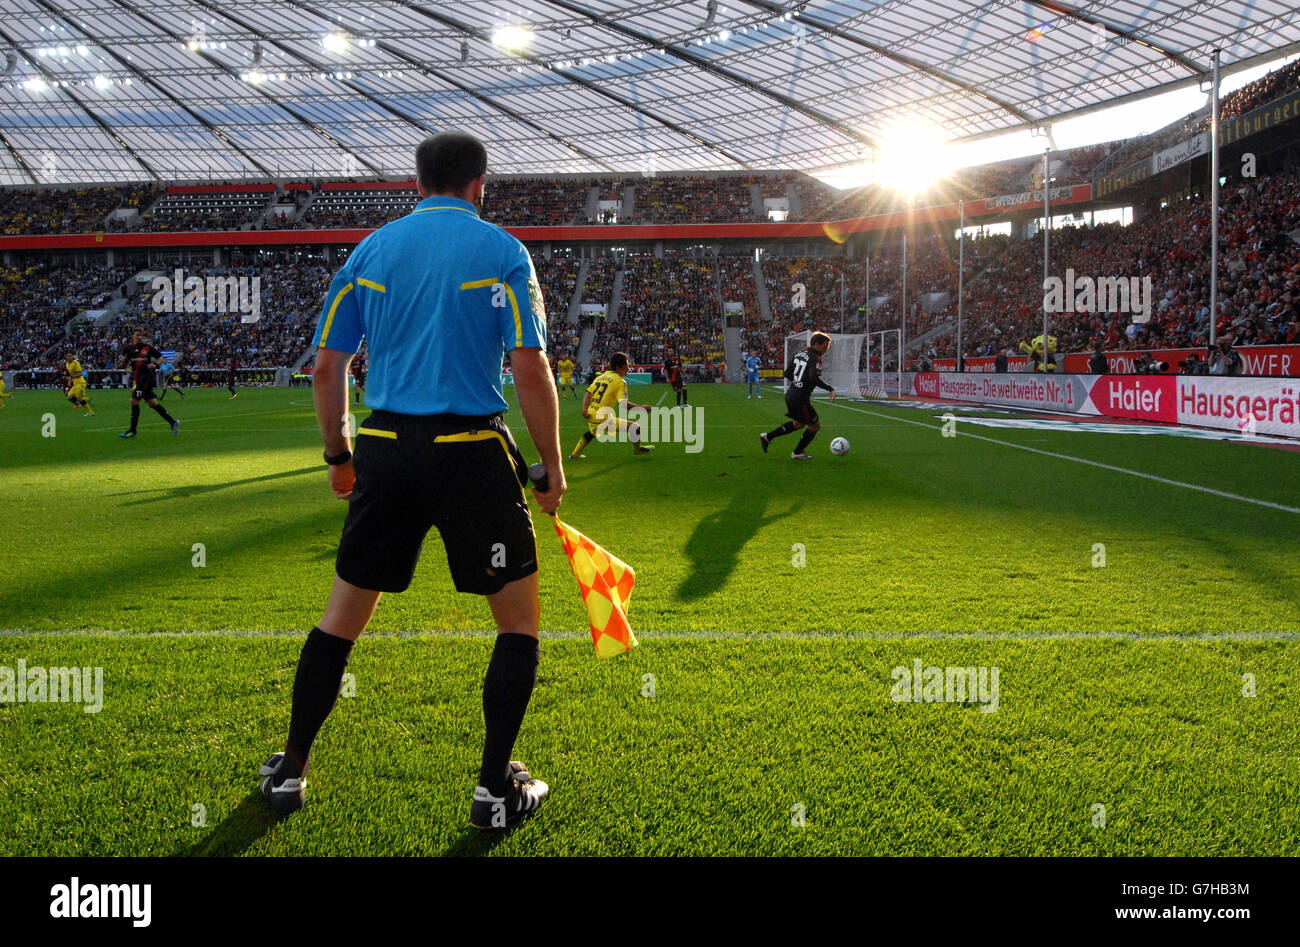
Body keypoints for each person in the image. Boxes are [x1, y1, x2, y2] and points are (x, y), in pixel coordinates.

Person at [258, 131, 564, 832]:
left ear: (415, 182)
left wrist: (339, 456)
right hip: (471, 451)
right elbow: (528, 364)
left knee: (340, 620)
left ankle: (291, 769)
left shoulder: (372, 251)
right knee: (517, 624)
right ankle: (495, 791)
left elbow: (327, 368)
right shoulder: (501, 252)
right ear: (480, 184)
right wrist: (551, 464)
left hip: (387, 448)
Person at [760, 330, 835, 460]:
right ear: (816, 344)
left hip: (791, 394)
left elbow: (787, 374)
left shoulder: (799, 354)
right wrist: (830, 389)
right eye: (825, 346)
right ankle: (797, 452)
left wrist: (799, 385)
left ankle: (768, 436)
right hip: (800, 398)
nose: (826, 349)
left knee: (798, 424)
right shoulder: (815, 358)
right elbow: (813, 378)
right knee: (815, 425)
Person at [569, 352, 655, 459]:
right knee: (635, 427)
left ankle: (574, 455)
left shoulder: (601, 377)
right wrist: (642, 408)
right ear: (619, 367)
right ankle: (638, 449)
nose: (628, 368)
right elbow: (623, 404)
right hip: (603, 420)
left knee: (591, 433)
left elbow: (588, 393)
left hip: (592, 416)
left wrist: (584, 410)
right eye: (626, 366)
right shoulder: (619, 381)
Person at [119, 330, 178, 438]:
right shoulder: (127, 348)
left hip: (146, 378)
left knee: (134, 400)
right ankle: (173, 422)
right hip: (137, 377)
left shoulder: (147, 348)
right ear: (133, 336)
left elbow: (160, 358)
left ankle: (133, 431)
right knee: (152, 403)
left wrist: (155, 364)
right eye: (137, 335)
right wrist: (123, 363)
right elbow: (124, 362)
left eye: (141, 335)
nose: (139, 337)